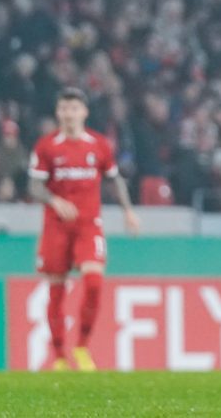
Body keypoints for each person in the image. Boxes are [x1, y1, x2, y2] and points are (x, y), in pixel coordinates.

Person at [28, 88, 141, 371]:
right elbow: (34, 186)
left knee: (93, 283)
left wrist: (128, 210)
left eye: (74, 108)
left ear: (84, 112)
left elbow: (115, 180)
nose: (69, 114)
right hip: (56, 226)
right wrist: (54, 200)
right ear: (58, 113)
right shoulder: (46, 146)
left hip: (89, 224)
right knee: (56, 289)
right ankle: (58, 356)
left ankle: (81, 346)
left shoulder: (99, 145)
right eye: (64, 109)